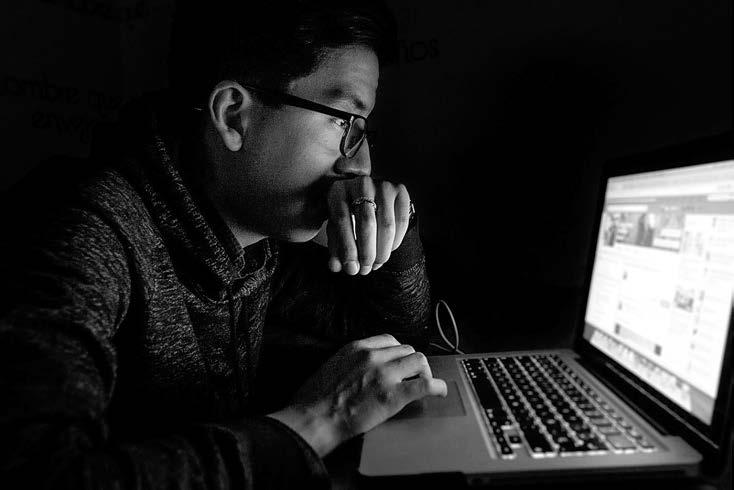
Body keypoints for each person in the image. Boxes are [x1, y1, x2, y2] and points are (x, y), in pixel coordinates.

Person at [0, 1, 447, 488]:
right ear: (233, 116)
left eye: (363, 130)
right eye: (344, 122)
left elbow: (398, 343)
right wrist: (318, 422)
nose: (361, 165)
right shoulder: (85, 236)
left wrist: (394, 227)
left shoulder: (255, 242)